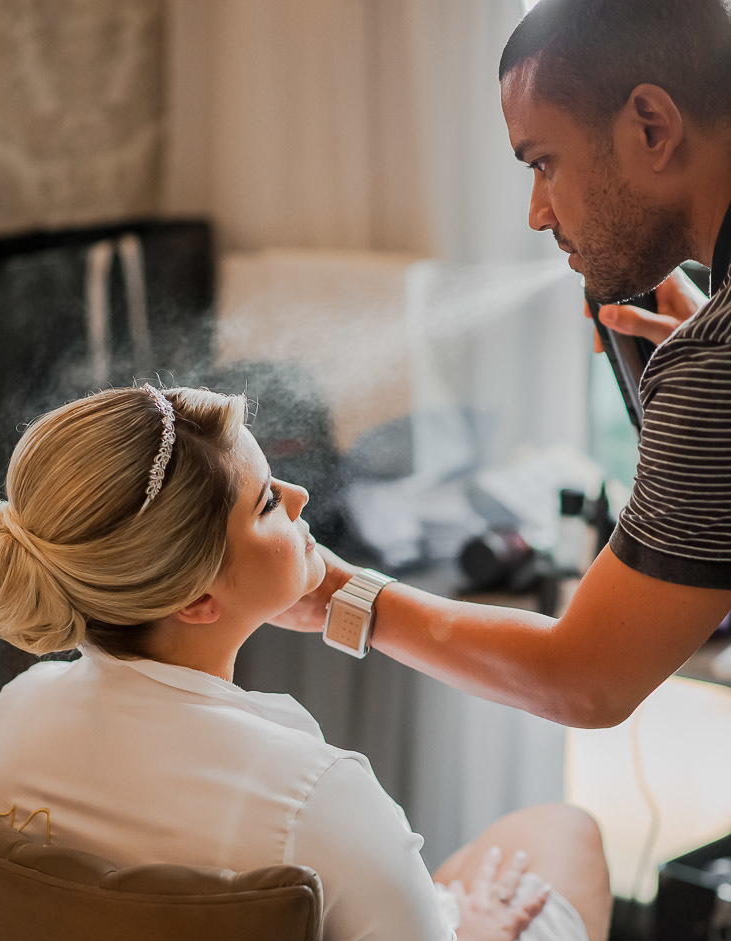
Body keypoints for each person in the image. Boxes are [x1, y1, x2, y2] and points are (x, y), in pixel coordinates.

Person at [0, 384, 610, 941]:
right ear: (198, 598)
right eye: (267, 502)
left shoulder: (12, 721)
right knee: (563, 835)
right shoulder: (313, 799)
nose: (302, 498)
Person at [275, 0, 731, 731]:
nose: (538, 212)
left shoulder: (715, 368)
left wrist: (336, 594)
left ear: (651, 126)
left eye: (544, 162)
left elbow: (587, 680)